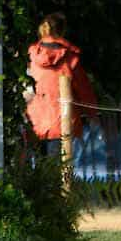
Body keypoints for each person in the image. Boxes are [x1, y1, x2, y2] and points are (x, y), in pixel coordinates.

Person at [26, 12, 98, 158]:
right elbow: (83, 89)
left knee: (39, 168)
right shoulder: (69, 57)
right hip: (63, 121)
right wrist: (92, 114)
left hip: (35, 120)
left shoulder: (32, 56)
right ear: (62, 30)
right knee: (63, 170)